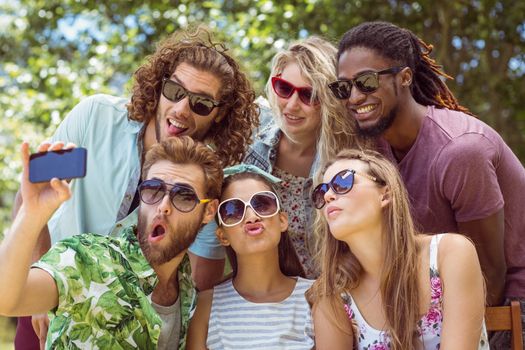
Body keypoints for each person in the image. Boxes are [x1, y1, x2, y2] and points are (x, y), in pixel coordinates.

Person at [13, 27, 259, 348]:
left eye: (201, 104)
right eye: (175, 91)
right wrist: (41, 288)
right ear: (159, 86)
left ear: (219, 114)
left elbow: (200, 274)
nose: (182, 109)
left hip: (128, 324)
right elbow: (31, 195)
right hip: (49, 288)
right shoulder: (96, 118)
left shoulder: (205, 179)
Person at [328, 21, 525, 344]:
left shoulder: (461, 151)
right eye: (343, 87)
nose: (354, 96)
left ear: (405, 77)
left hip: (510, 301)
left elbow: (490, 273)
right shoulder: (371, 151)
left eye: (365, 82)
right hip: (433, 300)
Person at [0, 137, 223, 349]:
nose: (163, 205)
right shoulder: (87, 259)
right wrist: (31, 215)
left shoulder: (189, 295)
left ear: (208, 211)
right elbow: (7, 299)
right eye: (153, 189)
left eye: (184, 196)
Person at [307, 149, 488, 349]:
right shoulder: (332, 293)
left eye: (343, 182)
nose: (329, 196)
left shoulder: (450, 253)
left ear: (385, 195)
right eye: (322, 192)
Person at [245, 36, 360, 278]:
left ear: (329, 102)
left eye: (309, 95)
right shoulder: (251, 139)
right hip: (270, 296)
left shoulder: (350, 160)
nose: (291, 105)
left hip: (332, 293)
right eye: (284, 89)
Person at [187, 166, 315, 349]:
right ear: (222, 236)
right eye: (233, 210)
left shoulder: (316, 296)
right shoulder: (206, 305)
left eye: (262, 204)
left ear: (282, 221)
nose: (252, 217)